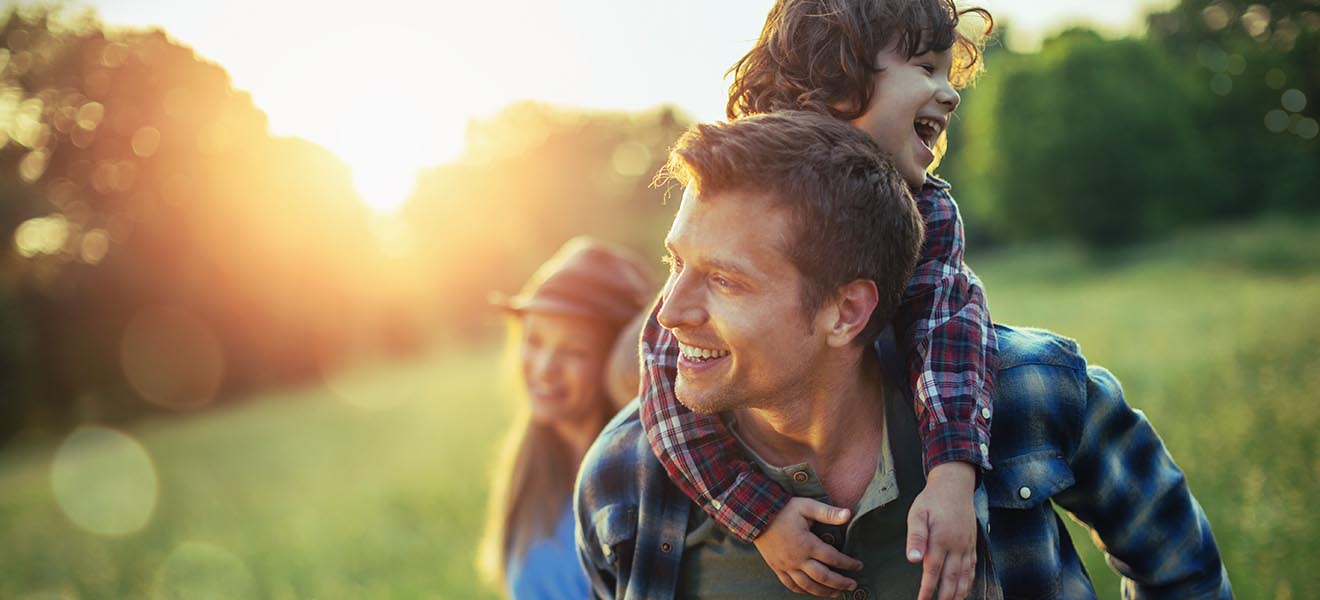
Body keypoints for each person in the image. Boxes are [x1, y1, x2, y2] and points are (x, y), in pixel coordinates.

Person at [575, 111, 1231, 599]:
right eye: (675, 263)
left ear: (847, 311)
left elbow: (1181, 569)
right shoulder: (622, 478)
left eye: (725, 281)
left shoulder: (1031, 392)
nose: (669, 312)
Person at [639, 1, 995, 597]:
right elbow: (666, 374)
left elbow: (947, 326)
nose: (949, 93)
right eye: (925, 68)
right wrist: (760, 515)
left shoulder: (929, 209)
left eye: (944, 71)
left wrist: (952, 476)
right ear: (835, 81)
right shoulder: (735, 203)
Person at [478, 237, 655, 599]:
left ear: (618, 361)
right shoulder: (530, 466)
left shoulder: (643, 481)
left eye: (573, 351)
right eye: (534, 341)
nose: (545, 368)